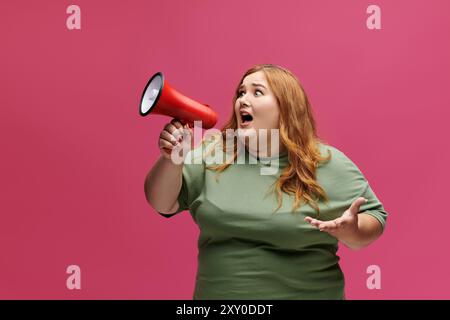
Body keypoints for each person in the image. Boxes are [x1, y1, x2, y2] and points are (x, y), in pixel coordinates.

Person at [144, 64, 388, 300]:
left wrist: (352, 231)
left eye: (257, 92)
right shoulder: (213, 153)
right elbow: (163, 203)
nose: (242, 100)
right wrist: (172, 160)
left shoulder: (326, 163)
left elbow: (375, 217)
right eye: (241, 92)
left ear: (286, 107)